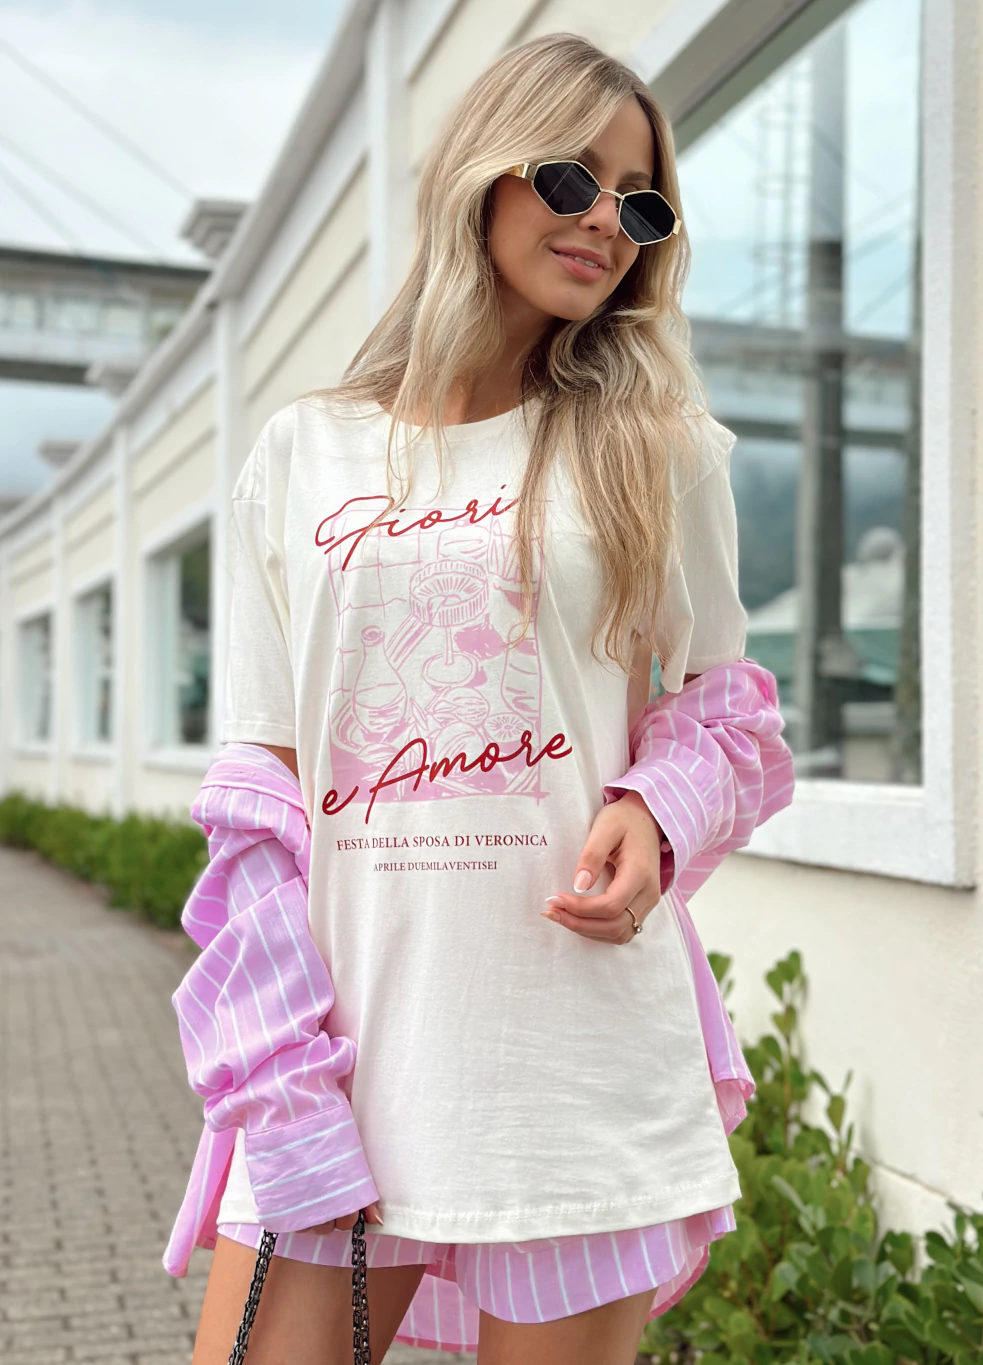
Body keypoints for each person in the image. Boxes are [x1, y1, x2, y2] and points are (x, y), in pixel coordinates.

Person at [165, 31, 794, 1365]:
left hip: (567, 1055)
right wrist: (278, 1069)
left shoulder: (658, 450)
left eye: (641, 203)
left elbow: (727, 711)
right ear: (483, 172)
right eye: (572, 178)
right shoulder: (307, 449)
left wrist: (656, 810)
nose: (606, 221)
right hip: (339, 1053)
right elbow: (260, 788)